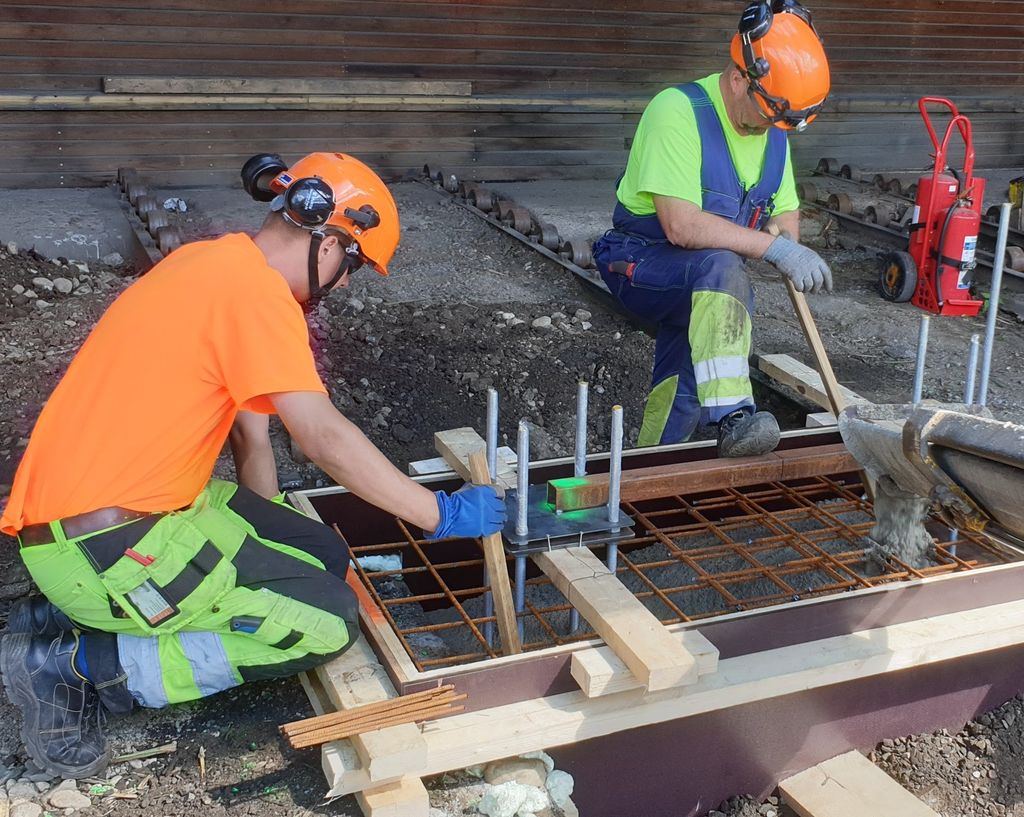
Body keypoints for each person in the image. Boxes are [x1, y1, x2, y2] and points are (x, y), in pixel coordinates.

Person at [0, 152, 506, 778]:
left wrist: (266, 546)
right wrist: (440, 513)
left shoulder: (212, 264)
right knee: (326, 621)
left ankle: (59, 613)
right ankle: (80, 669)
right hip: (106, 542)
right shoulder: (254, 294)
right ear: (328, 240)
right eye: (352, 265)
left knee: (322, 558)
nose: (345, 284)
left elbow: (252, 441)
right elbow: (322, 438)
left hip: (112, 516)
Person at [593, 0, 832, 457]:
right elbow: (681, 226)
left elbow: (784, 211)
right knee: (723, 268)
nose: (771, 129)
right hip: (639, 261)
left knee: (687, 377)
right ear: (740, 78)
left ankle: (649, 467)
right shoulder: (678, 111)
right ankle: (734, 417)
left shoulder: (773, 128)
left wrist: (791, 246)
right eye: (769, 117)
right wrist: (771, 250)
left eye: (781, 122)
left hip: (709, 281)